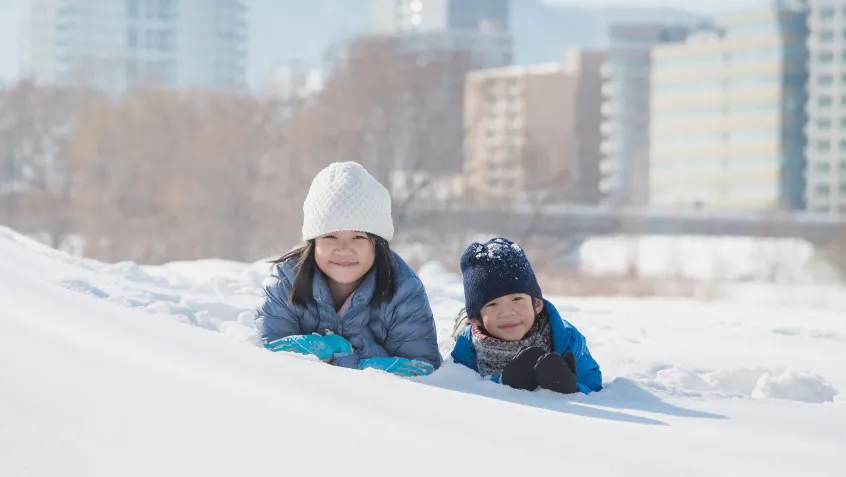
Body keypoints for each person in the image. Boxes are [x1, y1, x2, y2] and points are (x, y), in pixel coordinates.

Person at [255, 161, 441, 377]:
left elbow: (422, 367)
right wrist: (316, 348)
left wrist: (352, 364)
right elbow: (268, 357)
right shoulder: (285, 282)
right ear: (313, 241)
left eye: (358, 237)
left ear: (378, 243)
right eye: (330, 236)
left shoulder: (403, 289)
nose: (344, 249)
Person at [450, 237, 602, 394]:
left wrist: (571, 387)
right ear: (476, 318)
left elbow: (594, 384)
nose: (507, 312)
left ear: (536, 304)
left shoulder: (567, 338)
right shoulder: (468, 346)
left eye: (517, 299)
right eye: (492, 304)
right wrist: (503, 382)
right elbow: (459, 389)